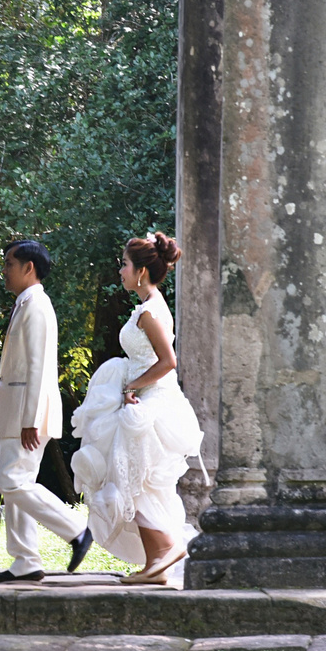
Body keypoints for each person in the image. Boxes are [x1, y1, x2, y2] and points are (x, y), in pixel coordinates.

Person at [70, 233, 205, 585]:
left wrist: (132, 386)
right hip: (144, 399)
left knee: (134, 478)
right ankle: (157, 561)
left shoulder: (148, 313)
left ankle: (164, 551)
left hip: (153, 403)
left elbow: (168, 362)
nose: (120, 271)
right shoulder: (148, 306)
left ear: (142, 271)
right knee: (136, 479)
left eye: (125, 265)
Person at [0, 239, 94, 583]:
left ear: (28, 268)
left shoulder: (37, 305)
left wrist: (31, 419)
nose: (4, 271)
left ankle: (78, 530)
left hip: (26, 412)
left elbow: (39, 368)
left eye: (9, 264)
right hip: (15, 410)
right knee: (17, 483)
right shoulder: (25, 304)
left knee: (12, 481)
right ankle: (25, 560)